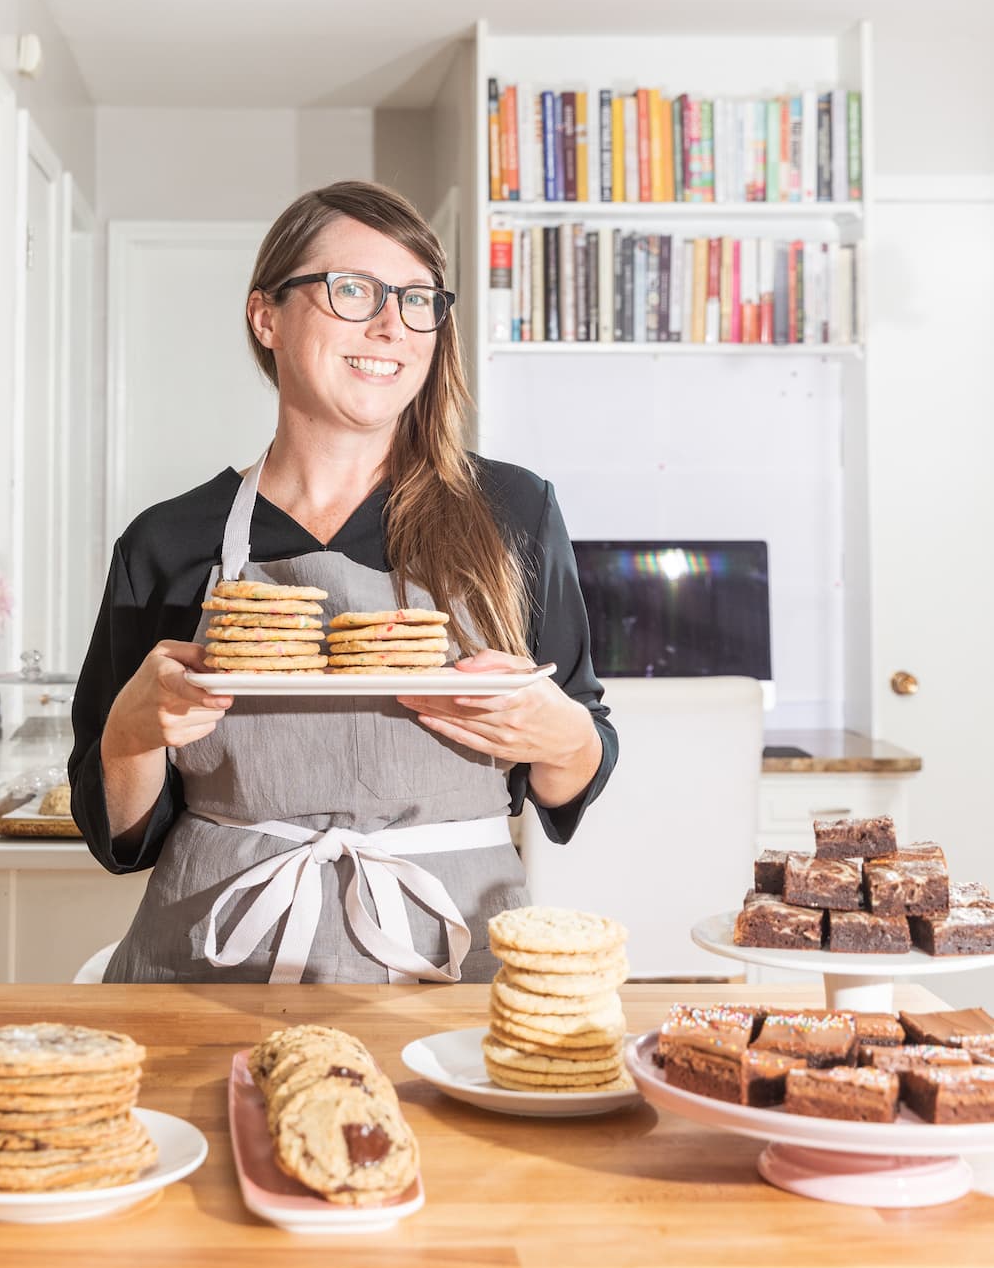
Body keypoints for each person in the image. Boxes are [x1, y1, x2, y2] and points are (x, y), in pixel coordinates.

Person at [69, 180, 617, 984]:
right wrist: (131, 732)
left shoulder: (511, 513)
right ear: (267, 316)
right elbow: (119, 835)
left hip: (451, 950)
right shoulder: (167, 540)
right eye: (353, 290)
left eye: (418, 298)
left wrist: (560, 734)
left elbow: (576, 764)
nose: (392, 324)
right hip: (214, 967)